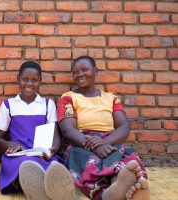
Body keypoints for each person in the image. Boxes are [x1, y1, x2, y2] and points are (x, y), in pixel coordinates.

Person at [54, 56, 150, 200]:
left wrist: (106, 142)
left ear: (95, 71)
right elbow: (67, 130)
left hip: (109, 140)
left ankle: (121, 183)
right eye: (75, 72)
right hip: (80, 141)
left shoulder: (110, 98)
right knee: (88, 160)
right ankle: (111, 192)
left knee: (125, 157)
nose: (80, 74)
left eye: (84, 70)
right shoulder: (68, 98)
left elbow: (124, 126)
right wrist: (94, 146)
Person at [0, 61, 76, 200]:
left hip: (41, 152)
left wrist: (53, 149)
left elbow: (56, 135)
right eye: (25, 79)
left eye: (34, 80)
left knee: (52, 166)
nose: (29, 84)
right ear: (18, 80)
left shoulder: (47, 104)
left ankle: (49, 188)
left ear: (40, 82)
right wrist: (10, 145)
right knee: (24, 165)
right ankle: (41, 187)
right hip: (19, 154)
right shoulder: (8, 105)